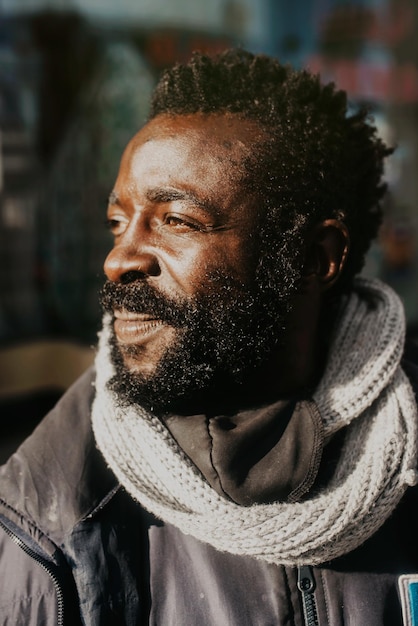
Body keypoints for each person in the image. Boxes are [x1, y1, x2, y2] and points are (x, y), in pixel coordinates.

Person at [1, 48, 417, 626]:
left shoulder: (407, 456)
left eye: (176, 220)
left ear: (314, 258)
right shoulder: (49, 521)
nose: (118, 259)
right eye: (119, 223)